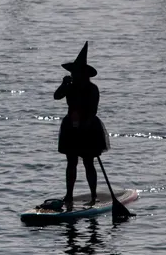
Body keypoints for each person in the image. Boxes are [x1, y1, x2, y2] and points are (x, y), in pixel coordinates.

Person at [54, 42, 108, 209]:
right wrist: (64, 84)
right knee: (71, 162)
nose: (75, 75)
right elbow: (57, 96)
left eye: (77, 72)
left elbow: (93, 110)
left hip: (89, 127)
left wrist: (85, 125)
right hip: (71, 127)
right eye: (73, 72)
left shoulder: (92, 89)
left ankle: (93, 195)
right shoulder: (70, 87)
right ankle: (68, 194)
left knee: (88, 162)